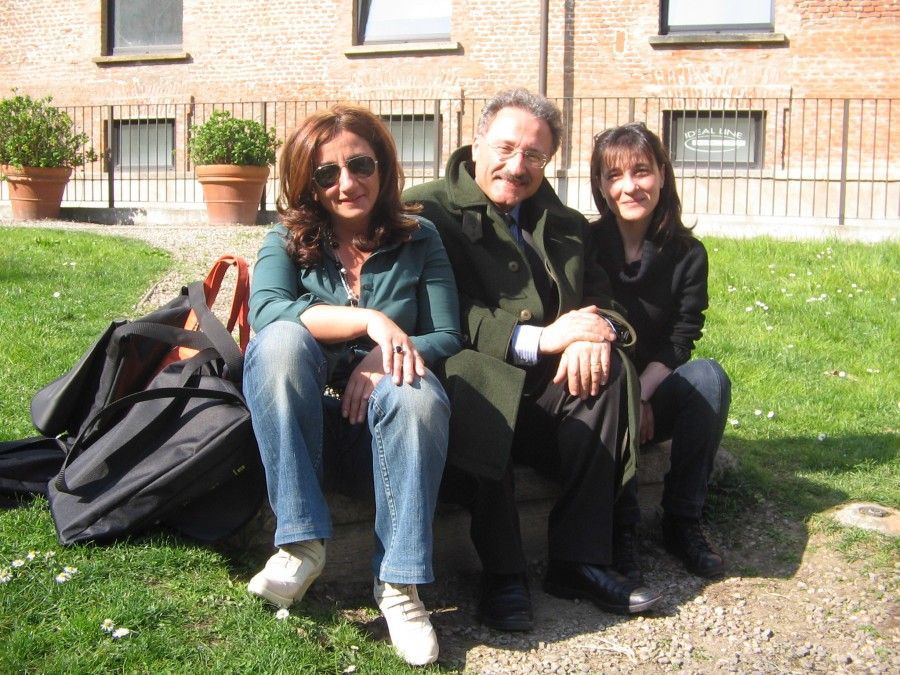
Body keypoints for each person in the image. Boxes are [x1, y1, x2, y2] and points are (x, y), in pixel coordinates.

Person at [404, 89, 661, 632]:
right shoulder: (426, 212)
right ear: (477, 142)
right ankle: (503, 574)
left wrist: (597, 332)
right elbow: (434, 311)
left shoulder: (563, 221)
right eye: (505, 148)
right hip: (471, 385)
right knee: (478, 379)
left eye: (535, 156)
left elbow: (603, 299)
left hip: (546, 395)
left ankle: (579, 561)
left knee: (609, 372)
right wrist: (538, 339)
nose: (517, 167)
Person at [243, 105, 462, 666]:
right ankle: (300, 544)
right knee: (281, 343)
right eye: (327, 173)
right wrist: (369, 321)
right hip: (308, 423)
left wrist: (384, 357)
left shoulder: (419, 237)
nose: (347, 183)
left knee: (416, 392)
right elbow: (267, 312)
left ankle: (400, 585)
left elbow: (446, 333)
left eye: (360, 165)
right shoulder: (285, 240)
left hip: (387, 427)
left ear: (383, 166)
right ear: (308, 184)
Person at [589, 122, 732, 579]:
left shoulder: (688, 254)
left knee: (709, 378)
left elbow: (681, 338)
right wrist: (628, 395)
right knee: (605, 385)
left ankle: (682, 521)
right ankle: (621, 529)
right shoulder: (586, 246)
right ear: (601, 186)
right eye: (614, 175)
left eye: (641, 171)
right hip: (602, 391)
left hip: (653, 385)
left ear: (662, 175)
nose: (629, 186)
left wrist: (645, 394)